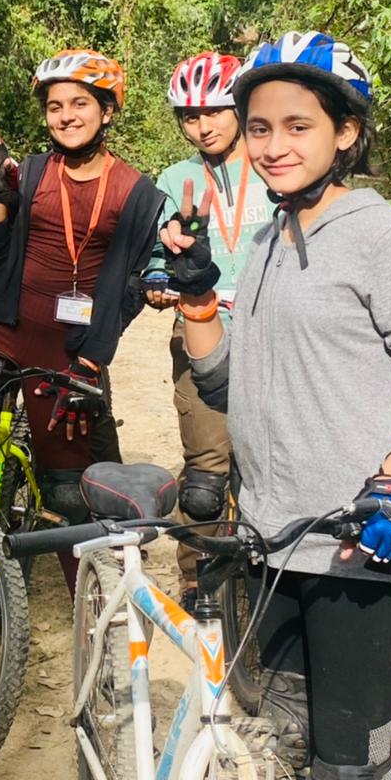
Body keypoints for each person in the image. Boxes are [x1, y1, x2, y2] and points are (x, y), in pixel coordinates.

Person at [161, 32, 391, 780]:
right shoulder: (268, 239)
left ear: (347, 132)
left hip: (359, 542)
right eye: (259, 128)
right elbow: (225, 382)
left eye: (298, 126)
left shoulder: (386, 239)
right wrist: (198, 298)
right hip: (272, 539)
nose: (273, 145)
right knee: (292, 756)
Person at [0, 49, 164, 575]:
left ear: (107, 111)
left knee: (65, 493)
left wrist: (91, 362)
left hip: (64, 346)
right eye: (55, 106)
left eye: (80, 104)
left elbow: (125, 291)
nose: (66, 116)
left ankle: (90, 609)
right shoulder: (29, 172)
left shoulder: (136, 192)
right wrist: (0, 195)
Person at [143, 52, 272, 609]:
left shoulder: (272, 163)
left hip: (273, 329)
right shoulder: (176, 179)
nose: (203, 126)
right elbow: (158, 249)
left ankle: (276, 566)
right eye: (190, 116)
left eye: (215, 111)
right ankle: (198, 573)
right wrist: (156, 277)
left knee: (273, 456)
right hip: (200, 327)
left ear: (240, 107)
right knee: (206, 471)